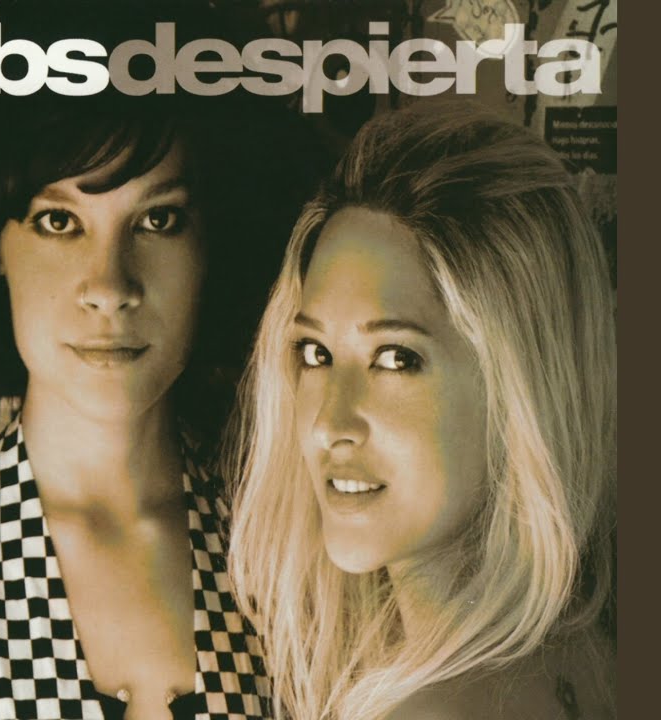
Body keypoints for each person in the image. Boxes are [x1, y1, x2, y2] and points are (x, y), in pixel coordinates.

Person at [0, 2, 324, 718]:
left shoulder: (288, 564)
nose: (111, 285)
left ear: (214, 242)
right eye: (59, 221)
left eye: (158, 219)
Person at [226, 99, 617, 720]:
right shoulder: (589, 660)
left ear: (520, 382)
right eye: (315, 353)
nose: (329, 423)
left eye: (395, 359)